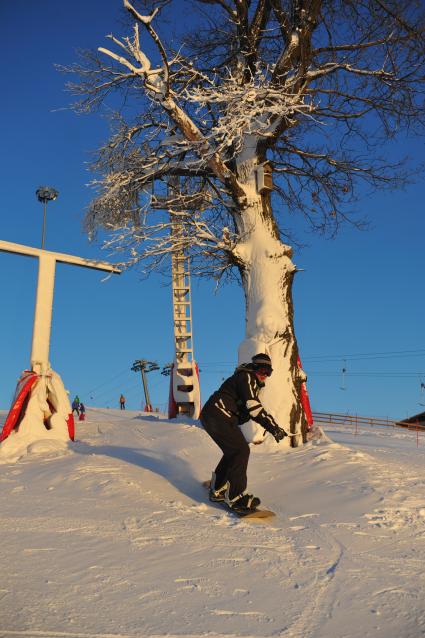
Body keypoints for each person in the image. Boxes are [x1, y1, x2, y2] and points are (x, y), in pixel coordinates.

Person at [200, 353, 287, 514]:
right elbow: (253, 407)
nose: (265, 375)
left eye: (269, 372)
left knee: (234, 451)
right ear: (253, 368)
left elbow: (249, 407)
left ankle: (218, 488)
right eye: (262, 370)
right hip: (218, 414)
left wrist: (271, 426)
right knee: (241, 450)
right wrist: (273, 427)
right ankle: (236, 497)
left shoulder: (249, 383)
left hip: (218, 416)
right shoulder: (246, 377)